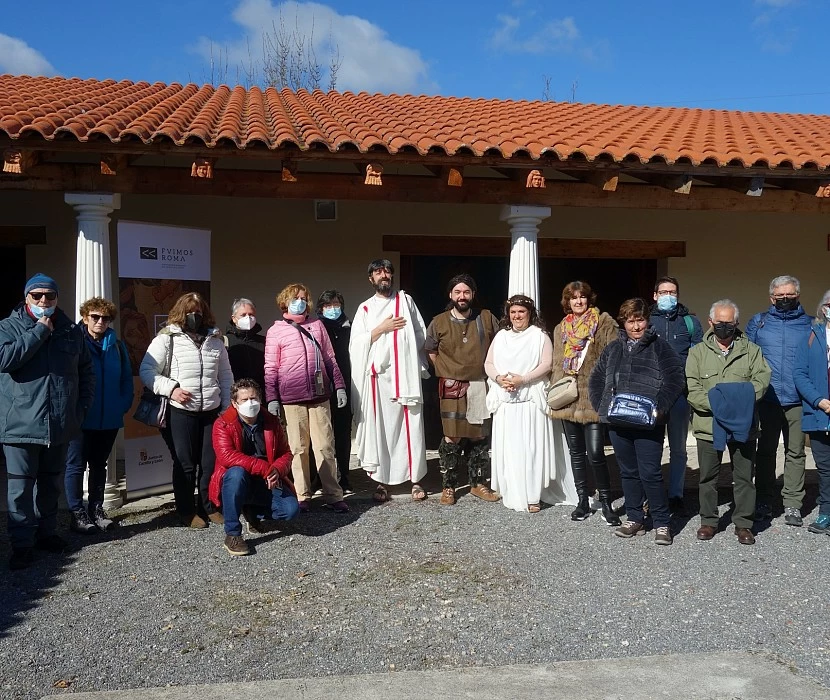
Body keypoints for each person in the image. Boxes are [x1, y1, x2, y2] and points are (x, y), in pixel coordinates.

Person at [0, 274, 94, 570]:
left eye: (49, 296)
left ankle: (47, 533)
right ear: (26, 297)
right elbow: (5, 359)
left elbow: (86, 372)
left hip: (60, 423)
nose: (44, 301)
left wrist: (80, 409)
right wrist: (39, 331)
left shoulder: (70, 330)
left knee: (51, 483)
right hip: (21, 423)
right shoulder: (8, 326)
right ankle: (22, 543)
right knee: (20, 489)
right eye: (37, 296)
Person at [588, 298, 685, 545]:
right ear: (624, 322)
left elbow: (675, 379)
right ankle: (634, 517)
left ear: (647, 320)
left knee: (650, 473)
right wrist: (603, 407)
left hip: (648, 424)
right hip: (618, 422)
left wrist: (659, 408)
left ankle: (662, 523)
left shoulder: (660, 347)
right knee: (628, 472)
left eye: (640, 320)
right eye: (630, 321)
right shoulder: (613, 349)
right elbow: (596, 379)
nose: (636, 326)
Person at [140, 292, 232, 528]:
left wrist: (225, 407)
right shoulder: (167, 338)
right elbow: (148, 370)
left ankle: (208, 506)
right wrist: (171, 389)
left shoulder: (215, 340)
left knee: (209, 463)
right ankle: (186, 511)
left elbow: (225, 376)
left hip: (211, 411)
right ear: (181, 312)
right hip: (181, 411)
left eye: (199, 312)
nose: (195, 316)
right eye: (190, 312)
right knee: (185, 463)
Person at [687, 300, 770, 545]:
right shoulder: (697, 353)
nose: (725, 327)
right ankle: (709, 521)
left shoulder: (752, 350)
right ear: (711, 322)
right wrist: (723, 406)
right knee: (708, 477)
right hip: (708, 424)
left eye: (730, 323)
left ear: (737, 323)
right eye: (720, 323)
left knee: (744, 476)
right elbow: (693, 389)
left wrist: (736, 405)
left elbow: (762, 381)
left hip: (743, 424)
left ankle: (744, 523)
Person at [485, 295, 576, 513]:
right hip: (507, 402)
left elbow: (547, 364)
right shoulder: (501, 337)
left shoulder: (539, 336)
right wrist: (499, 379)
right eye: (513, 312)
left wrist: (522, 379)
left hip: (530, 402)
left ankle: (533, 494)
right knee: (510, 448)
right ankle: (511, 489)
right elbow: (488, 363)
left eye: (521, 312)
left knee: (532, 448)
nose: (517, 316)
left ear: (529, 314)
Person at [264, 283, 349, 514]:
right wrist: (272, 398)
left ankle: (333, 495)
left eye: (303, 298)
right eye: (295, 298)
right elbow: (271, 367)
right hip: (292, 399)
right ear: (285, 302)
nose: (300, 301)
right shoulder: (276, 331)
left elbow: (330, 358)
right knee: (299, 449)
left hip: (320, 397)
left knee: (325, 446)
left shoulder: (317, 325)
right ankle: (302, 495)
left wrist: (339, 385)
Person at [350, 259, 429, 502]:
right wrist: (381, 328)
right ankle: (382, 481)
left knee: (410, 427)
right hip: (378, 380)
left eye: (387, 271)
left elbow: (420, 333)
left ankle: (415, 480)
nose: (383, 275)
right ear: (370, 278)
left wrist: (415, 363)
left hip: (405, 376)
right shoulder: (365, 309)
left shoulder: (406, 302)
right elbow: (356, 344)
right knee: (381, 429)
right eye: (377, 272)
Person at [549, 281, 620, 525]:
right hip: (569, 397)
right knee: (576, 453)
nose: (578, 301)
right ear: (567, 301)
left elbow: (614, 357)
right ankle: (582, 501)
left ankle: (607, 502)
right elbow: (557, 362)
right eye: (573, 297)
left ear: (589, 299)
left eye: (582, 297)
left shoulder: (604, 323)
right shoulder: (561, 329)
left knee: (597, 452)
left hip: (594, 396)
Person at [425, 274, 500, 505]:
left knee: (478, 434)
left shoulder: (486, 318)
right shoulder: (438, 321)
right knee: (452, 436)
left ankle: (478, 484)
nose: (462, 296)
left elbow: (500, 344)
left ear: (473, 295)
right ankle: (449, 487)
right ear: (451, 295)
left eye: (466, 292)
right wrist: (442, 369)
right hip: (451, 385)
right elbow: (430, 349)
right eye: (457, 292)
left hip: (479, 382)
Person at [745, 275, 813, 526]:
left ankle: (793, 503)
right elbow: (746, 356)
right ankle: (763, 498)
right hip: (767, 398)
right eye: (780, 296)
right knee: (765, 452)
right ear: (771, 297)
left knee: (795, 452)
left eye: (790, 295)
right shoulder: (759, 323)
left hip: (798, 399)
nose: (785, 299)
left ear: (798, 295)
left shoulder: (810, 325)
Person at [65, 297, 133, 534]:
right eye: (95, 317)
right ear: (85, 317)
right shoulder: (73, 342)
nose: (100, 322)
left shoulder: (117, 346)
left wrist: (123, 403)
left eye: (105, 318)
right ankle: (76, 512)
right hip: (81, 417)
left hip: (109, 417)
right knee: (75, 465)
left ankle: (96, 508)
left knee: (99, 465)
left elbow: (126, 378)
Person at [210, 378, 299, 555]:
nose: (250, 403)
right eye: (244, 400)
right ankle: (233, 534)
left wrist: (276, 470)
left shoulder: (271, 421)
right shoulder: (222, 424)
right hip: (237, 479)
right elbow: (227, 456)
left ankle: (253, 512)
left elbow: (286, 453)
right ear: (235, 403)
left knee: (290, 511)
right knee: (236, 474)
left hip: (265, 480)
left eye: (254, 398)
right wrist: (264, 467)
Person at [649, 276, 703, 515]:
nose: (667, 296)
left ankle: (676, 493)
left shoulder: (690, 322)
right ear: (655, 295)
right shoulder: (646, 321)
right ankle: (652, 493)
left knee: (679, 448)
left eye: (672, 292)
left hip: (680, 394)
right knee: (652, 446)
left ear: (678, 295)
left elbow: (698, 356)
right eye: (663, 292)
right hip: (652, 395)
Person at [793, 290, 830, 535]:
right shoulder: (810, 336)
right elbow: (800, 374)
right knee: (825, 468)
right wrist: (819, 401)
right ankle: (826, 512)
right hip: (820, 413)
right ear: (823, 307)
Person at [316, 289, 354, 492]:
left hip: (346, 386)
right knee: (321, 434)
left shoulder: (350, 328)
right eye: (328, 305)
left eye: (336, 305)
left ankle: (344, 476)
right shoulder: (314, 328)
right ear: (321, 308)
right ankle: (319, 478)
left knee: (342, 433)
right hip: (321, 388)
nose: (333, 309)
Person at [225, 297, 266, 389]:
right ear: (234, 318)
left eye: (251, 314)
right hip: (235, 395)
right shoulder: (225, 341)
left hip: (260, 395)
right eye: (243, 315)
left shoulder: (264, 341)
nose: (248, 318)